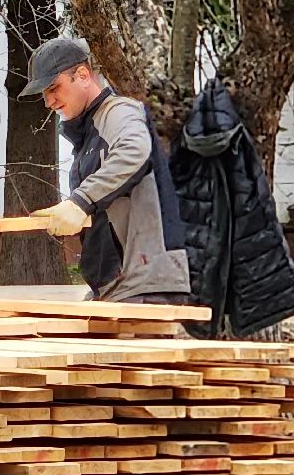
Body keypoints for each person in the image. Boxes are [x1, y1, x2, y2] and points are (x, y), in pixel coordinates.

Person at [19, 36, 191, 304]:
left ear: (83, 75)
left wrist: (80, 202)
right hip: (119, 288)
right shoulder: (89, 134)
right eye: (44, 94)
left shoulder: (118, 112)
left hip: (146, 287)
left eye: (54, 88)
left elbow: (134, 150)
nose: (48, 102)